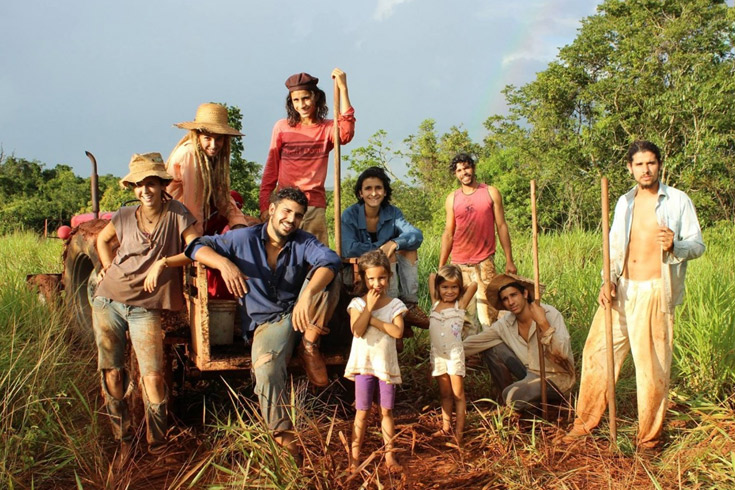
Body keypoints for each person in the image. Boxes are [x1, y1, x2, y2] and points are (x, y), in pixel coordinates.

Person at [562, 141, 705, 449]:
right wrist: (608, 279)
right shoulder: (624, 202)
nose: (645, 169)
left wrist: (674, 246)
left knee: (651, 366)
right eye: (639, 164)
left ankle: (649, 439)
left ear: (659, 165)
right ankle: (585, 422)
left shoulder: (678, 200)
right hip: (622, 289)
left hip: (655, 290)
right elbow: (615, 247)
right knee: (596, 352)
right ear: (630, 168)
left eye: (651, 163)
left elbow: (698, 245)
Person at [183, 187, 342, 458]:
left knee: (331, 276)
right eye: (286, 212)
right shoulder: (242, 238)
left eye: (298, 215)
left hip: (301, 315)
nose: (291, 220)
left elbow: (329, 259)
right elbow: (196, 246)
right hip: (268, 322)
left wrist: (308, 295)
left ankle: (309, 345)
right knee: (266, 370)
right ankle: (282, 434)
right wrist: (224, 263)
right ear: (272, 210)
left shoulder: (303, 241)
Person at [93, 153, 198, 456]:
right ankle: (123, 438)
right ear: (133, 189)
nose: (145, 191)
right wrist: (105, 266)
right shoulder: (125, 215)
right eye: (139, 185)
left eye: (150, 183)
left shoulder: (178, 214)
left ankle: (157, 444)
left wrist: (164, 262)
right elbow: (103, 240)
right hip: (108, 300)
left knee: (152, 376)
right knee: (112, 372)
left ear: (162, 184)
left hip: (145, 308)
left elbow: (195, 248)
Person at [259, 68, 356, 244]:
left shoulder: (327, 128)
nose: (301, 105)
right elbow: (271, 170)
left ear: (315, 97)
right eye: (296, 100)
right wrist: (265, 205)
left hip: (313, 206)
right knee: (282, 255)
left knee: (316, 259)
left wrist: (343, 89)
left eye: (306, 98)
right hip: (285, 205)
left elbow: (346, 134)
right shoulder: (282, 127)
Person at [463, 274, 576, 412]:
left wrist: (544, 324)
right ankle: (512, 401)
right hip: (529, 373)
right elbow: (474, 343)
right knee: (492, 348)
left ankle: (539, 406)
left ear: (525, 293)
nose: (510, 302)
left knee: (512, 396)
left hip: (556, 377)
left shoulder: (549, 313)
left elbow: (562, 353)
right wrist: (443, 353)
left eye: (514, 295)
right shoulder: (505, 323)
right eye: (505, 299)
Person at [341, 166, 429, 332]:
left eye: (378, 188)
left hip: (385, 271)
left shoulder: (393, 213)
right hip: (358, 270)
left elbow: (416, 235)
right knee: (387, 255)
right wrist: (382, 249)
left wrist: (394, 243)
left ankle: (410, 305)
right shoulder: (349, 214)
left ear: (385, 192)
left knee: (407, 249)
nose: (373, 193)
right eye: (368, 188)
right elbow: (349, 248)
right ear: (360, 193)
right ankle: (392, 305)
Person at [439, 152, 517, 337]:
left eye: (466, 167)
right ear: (455, 174)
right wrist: (442, 265)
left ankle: (491, 354)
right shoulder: (453, 198)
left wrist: (509, 260)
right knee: (465, 313)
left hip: (484, 262)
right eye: (459, 170)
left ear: (472, 168)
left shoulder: (490, 192)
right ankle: (470, 356)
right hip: (460, 263)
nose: (463, 172)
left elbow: (502, 226)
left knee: (488, 312)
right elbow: (449, 232)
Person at [345, 250, 406, 473]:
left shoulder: (395, 304)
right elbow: (357, 331)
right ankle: (354, 459)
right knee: (362, 412)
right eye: (371, 278)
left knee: (386, 412)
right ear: (363, 278)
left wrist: (374, 321)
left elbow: (397, 332)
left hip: (385, 367)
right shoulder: (357, 304)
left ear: (389, 277)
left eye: (381, 278)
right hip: (364, 366)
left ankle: (390, 457)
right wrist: (369, 309)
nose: (376, 283)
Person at [167, 102, 258, 236]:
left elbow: (222, 195)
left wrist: (238, 223)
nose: (213, 145)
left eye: (219, 139)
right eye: (207, 138)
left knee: (234, 198)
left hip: (197, 213)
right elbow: (194, 203)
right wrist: (197, 243)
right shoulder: (191, 153)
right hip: (178, 218)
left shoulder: (210, 157)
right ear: (197, 136)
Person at [428, 265, 477, 445]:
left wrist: (460, 283)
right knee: (445, 394)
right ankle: (445, 427)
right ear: (438, 289)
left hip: (455, 357)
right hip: (439, 357)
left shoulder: (460, 305)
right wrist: (444, 274)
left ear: (459, 288)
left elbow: (474, 285)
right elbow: (433, 275)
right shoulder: (435, 302)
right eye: (445, 287)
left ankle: (459, 431)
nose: (449, 291)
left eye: (454, 287)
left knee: (458, 394)